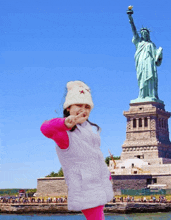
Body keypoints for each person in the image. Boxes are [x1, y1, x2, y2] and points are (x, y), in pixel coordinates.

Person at [40, 80, 114, 220]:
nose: (83, 109)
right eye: (79, 105)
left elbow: (95, 158)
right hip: (85, 186)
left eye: (87, 106)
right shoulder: (65, 133)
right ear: (68, 108)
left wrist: (106, 175)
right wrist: (65, 123)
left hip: (98, 184)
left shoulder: (90, 131)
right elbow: (45, 128)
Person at [128, 13, 163, 102]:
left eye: (146, 33)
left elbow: (157, 58)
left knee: (150, 78)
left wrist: (159, 54)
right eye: (143, 34)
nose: (144, 35)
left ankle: (151, 95)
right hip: (141, 63)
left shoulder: (151, 44)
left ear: (148, 35)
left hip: (149, 64)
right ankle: (142, 96)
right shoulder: (138, 42)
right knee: (142, 79)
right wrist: (130, 19)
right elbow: (134, 31)